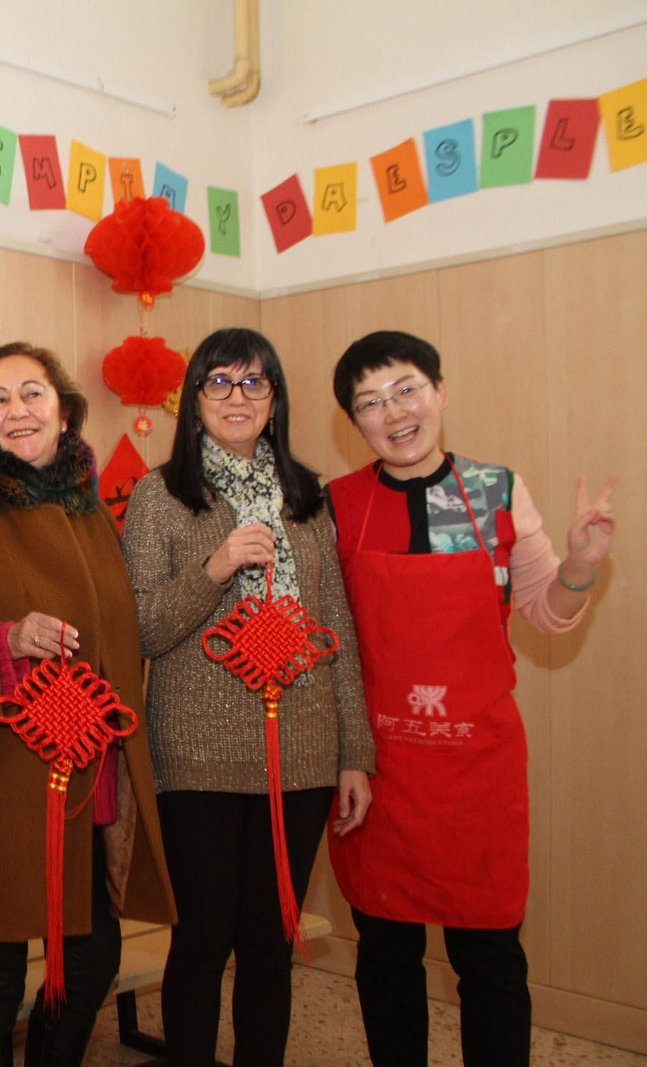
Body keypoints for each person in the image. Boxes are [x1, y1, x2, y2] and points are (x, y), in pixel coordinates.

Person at [325, 331, 618, 1067]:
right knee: (384, 952)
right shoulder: (340, 505)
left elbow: (547, 613)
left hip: (476, 773)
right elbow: (329, 641)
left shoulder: (495, 491)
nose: (393, 412)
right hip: (379, 771)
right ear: (353, 422)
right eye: (370, 402)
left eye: (406, 389)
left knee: (490, 958)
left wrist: (580, 565)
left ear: (440, 390)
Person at [0, 342, 176, 1067]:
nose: (18, 409)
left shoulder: (93, 516)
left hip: (88, 785)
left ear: (64, 413)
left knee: (91, 966)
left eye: (33, 393)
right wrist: (3, 642)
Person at [121, 327, 375, 1067]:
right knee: (203, 936)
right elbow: (142, 627)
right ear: (194, 398)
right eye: (220, 382)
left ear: (275, 399)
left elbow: (339, 631)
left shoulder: (306, 497)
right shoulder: (159, 494)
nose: (239, 397)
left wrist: (355, 751)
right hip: (196, 753)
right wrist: (216, 565)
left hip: (302, 750)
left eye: (255, 383)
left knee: (273, 936)